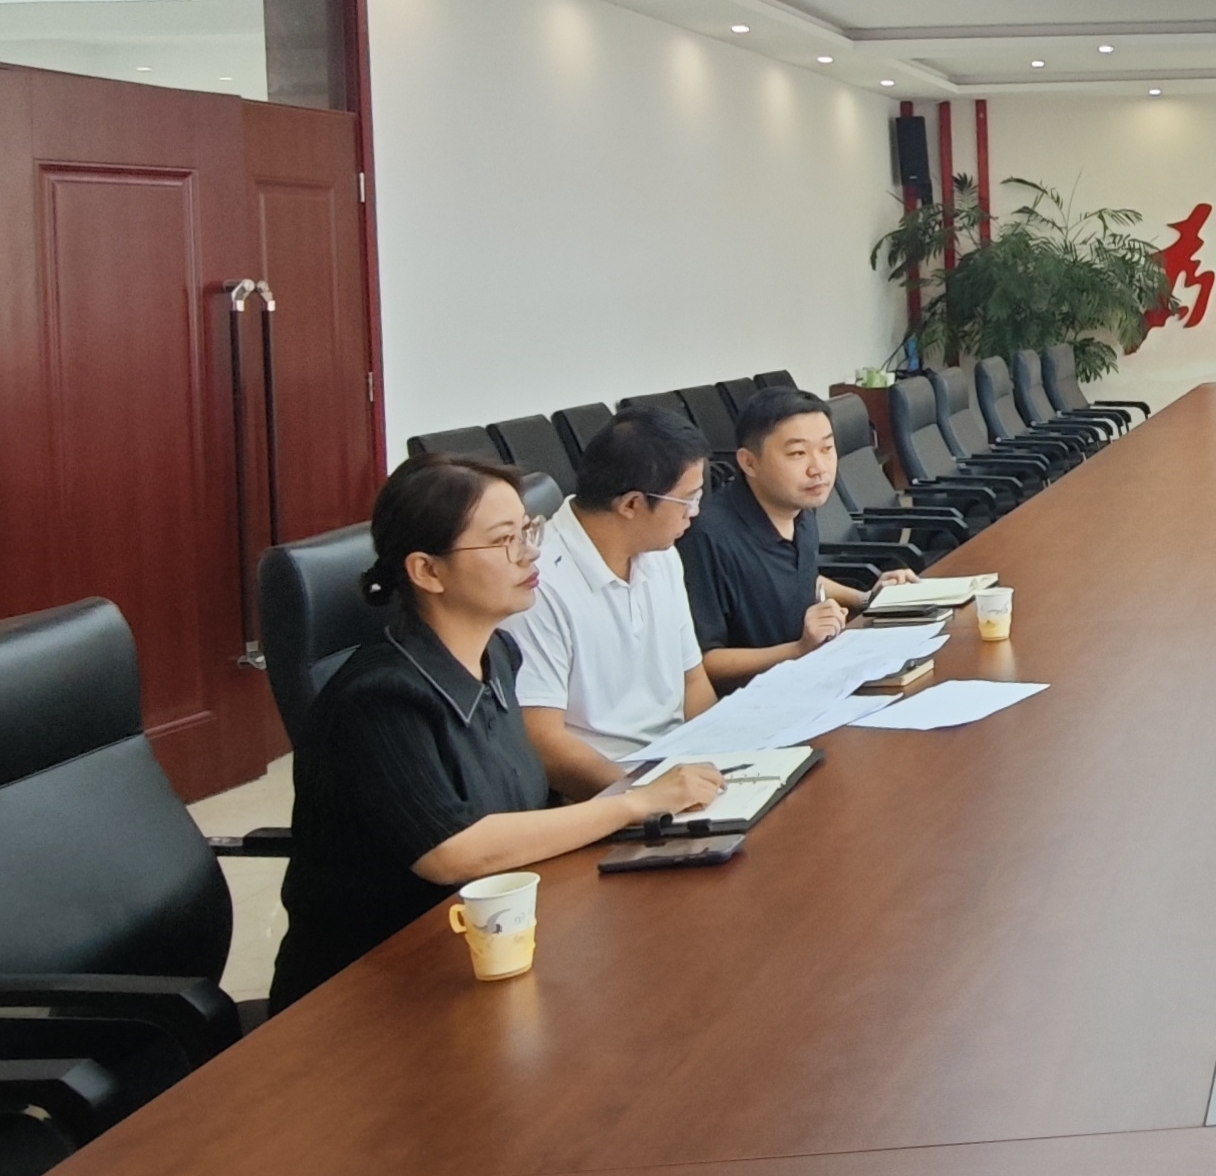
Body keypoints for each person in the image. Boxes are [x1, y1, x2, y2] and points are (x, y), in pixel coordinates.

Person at [271, 454, 722, 1010]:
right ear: (427, 571)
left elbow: (522, 806)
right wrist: (632, 803)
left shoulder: (499, 655)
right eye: (505, 541)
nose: (531, 553)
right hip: (378, 986)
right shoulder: (378, 698)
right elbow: (453, 852)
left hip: (495, 941)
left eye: (528, 531)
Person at [508, 407, 721, 799]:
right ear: (631, 504)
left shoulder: (661, 554)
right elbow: (544, 741)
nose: (695, 513)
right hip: (611, 794)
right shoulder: (537, 583)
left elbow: (692, 681)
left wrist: (729, 762)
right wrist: (647, 798)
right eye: (688, 500)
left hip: (681, 775)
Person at [678, 385, 889, 687]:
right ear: (749, 462)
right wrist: (798, 650)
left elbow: (800, 579)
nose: (818, 468)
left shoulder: (801, 508)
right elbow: (702, 663)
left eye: (827, 449)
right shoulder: (706, 537)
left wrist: (868, 598)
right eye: (798, 453)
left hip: (813, 679)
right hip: (756, 700)